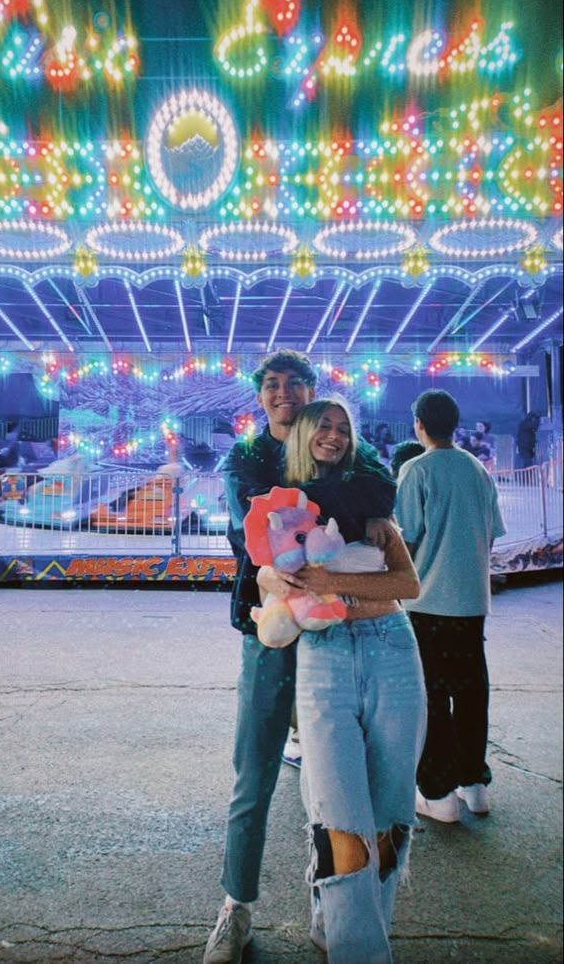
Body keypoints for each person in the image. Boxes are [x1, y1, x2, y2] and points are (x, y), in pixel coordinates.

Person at [203, 351, 397, 964]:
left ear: (313, 391)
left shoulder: (344, 446)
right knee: (255, 767)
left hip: (343, 630)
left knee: (336, 777)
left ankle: (331, 902)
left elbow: (383, 487)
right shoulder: (247, 457)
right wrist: (338, 512)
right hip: (273, 628)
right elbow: (254, 531)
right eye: (272, 385)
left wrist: (303, 509)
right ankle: (235, 907)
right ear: (261, 395)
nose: (283, 393)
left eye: (295, 384)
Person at [265, 397, 424, 963]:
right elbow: (273, 588)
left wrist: (331, 582)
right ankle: (362, 952)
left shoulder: (373, 506)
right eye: (323, 427)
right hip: (325, 658)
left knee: (389, 816)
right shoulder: (281, 508)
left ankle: (344, 926)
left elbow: (408, 584)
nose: (334, 436)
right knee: (341, 818)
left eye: (343, 429)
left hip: (392, 654)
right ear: (303, 434)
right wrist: (278, 583)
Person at [396, 389, 506, 823]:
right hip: (472, 600)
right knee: (472, 690)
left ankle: (438, 793)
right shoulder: (478, 470)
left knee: (433, 696)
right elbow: (491, 533)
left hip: (428, 601)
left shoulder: (416, 470)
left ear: (418, 424)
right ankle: (474, 783)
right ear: (455, 424)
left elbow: (405, 540)